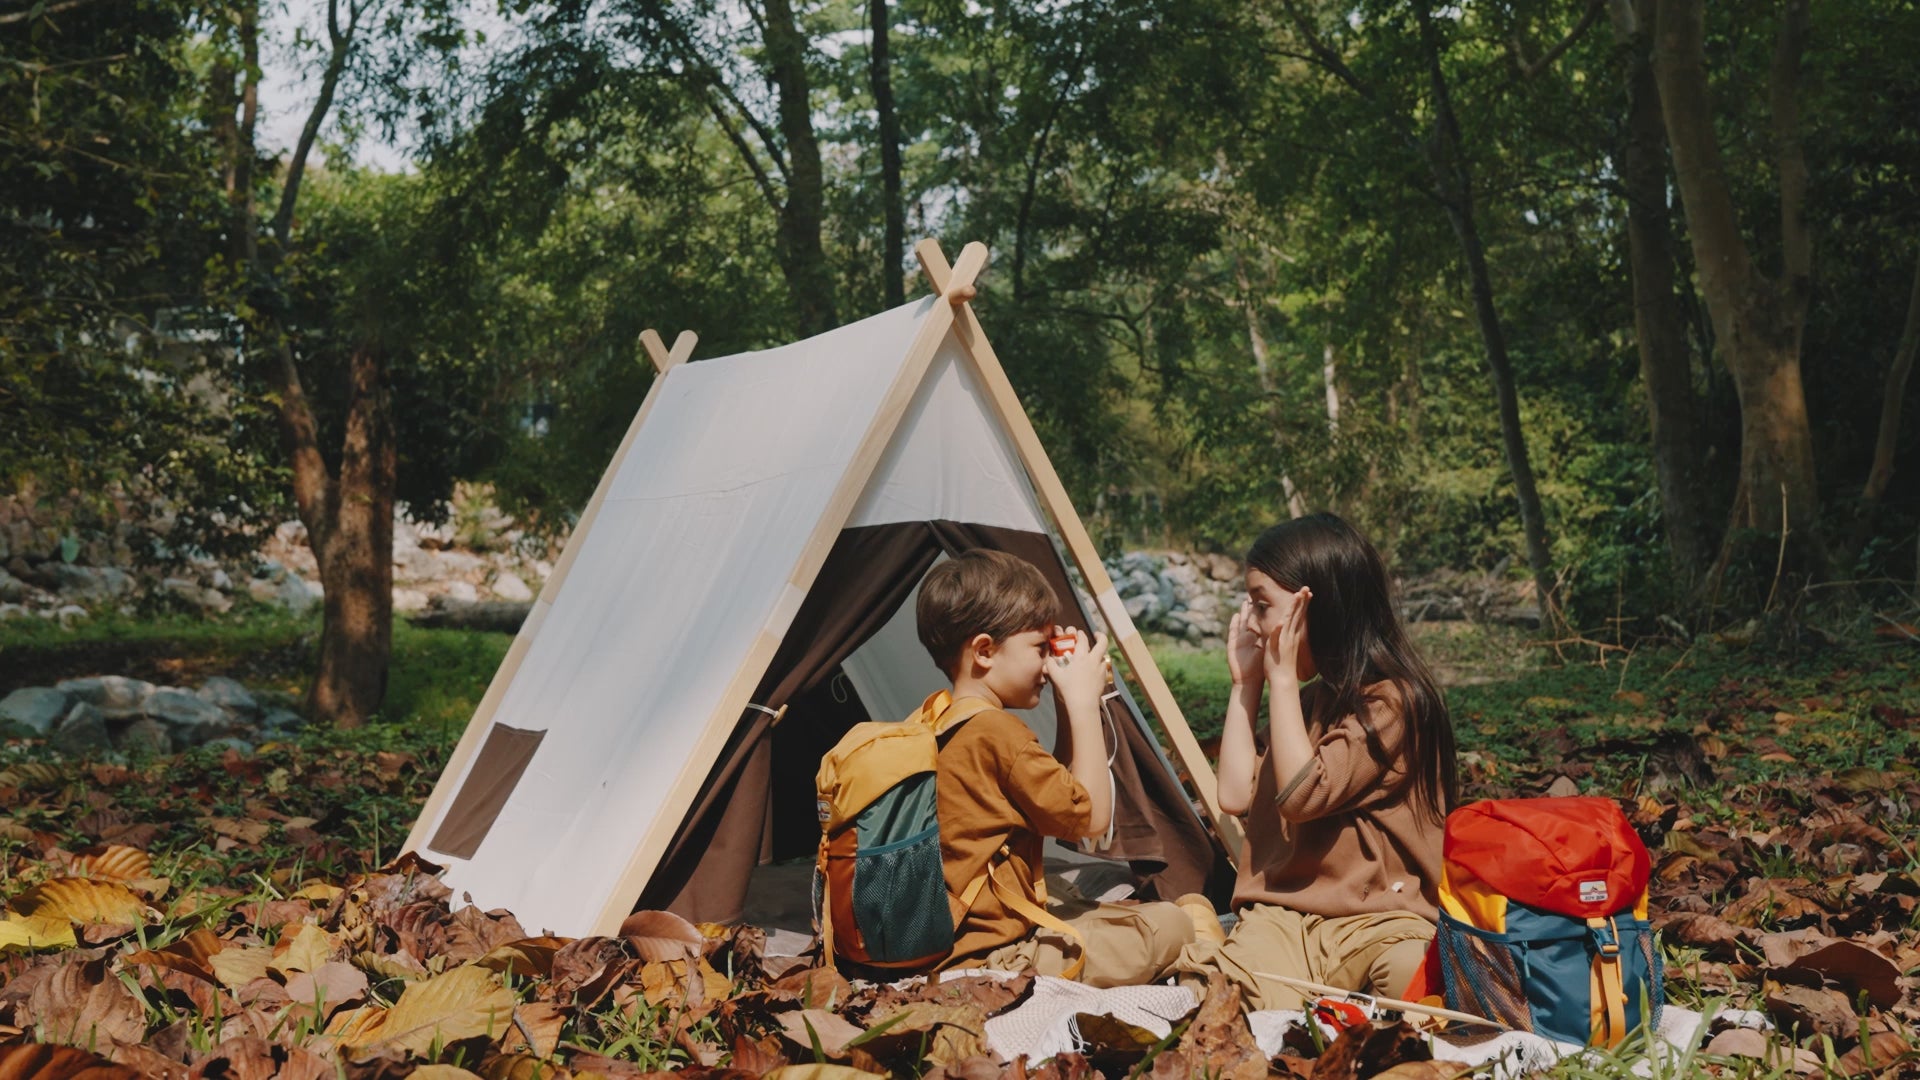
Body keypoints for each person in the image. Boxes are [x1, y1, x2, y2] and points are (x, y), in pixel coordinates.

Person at [1171, 513, 1458, 1009]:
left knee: (1421, 995)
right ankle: (1226, 952)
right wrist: (1247, 685)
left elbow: (1306, 795)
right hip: (1285, 919)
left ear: (1314, 608)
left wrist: (1281, 681)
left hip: (1382, 919)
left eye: (1263, 606)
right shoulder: (1306, 706)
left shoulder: (1394, 704)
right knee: (1223, 1005)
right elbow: (1235, 793)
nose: (1255, 625)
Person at [913, 549, 1216, 986]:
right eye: (1040, 647)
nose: (1047, 663)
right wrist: (1083, 704)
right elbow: (1090, 819)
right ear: (984, 650)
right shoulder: (996, 731)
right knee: (1174, 923)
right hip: (991, 957)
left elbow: (1052, 799)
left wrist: (1068, 704)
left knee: (1113, 907)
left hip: (956, 934)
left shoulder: (940, 718)